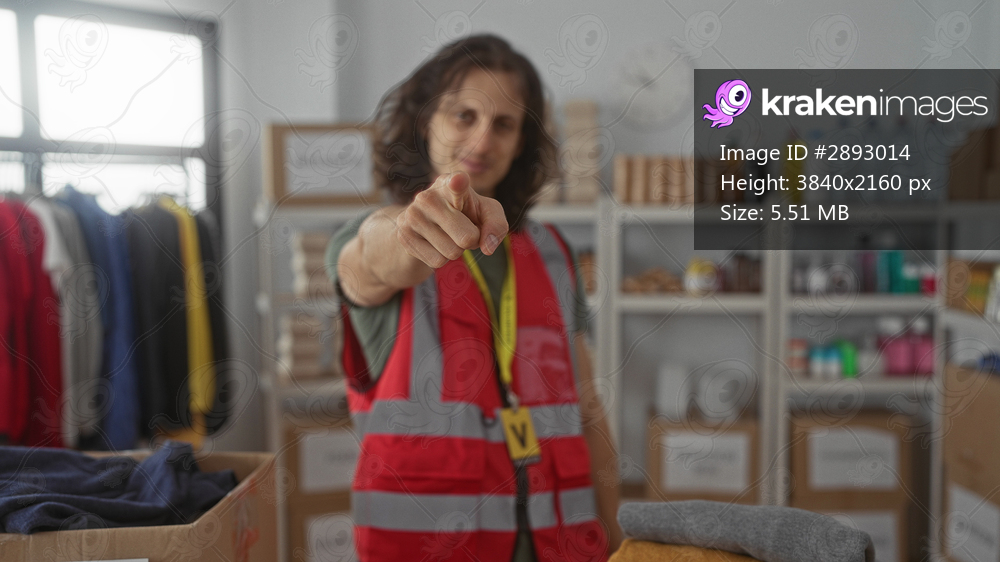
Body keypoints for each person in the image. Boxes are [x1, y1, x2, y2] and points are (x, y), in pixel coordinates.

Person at [326, 34, 621, 562]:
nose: (483, 140)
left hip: (560, 544)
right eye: (464, 115)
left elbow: (588, 409)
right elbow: (373, 257)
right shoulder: (378, 232)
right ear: (426, 122)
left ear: (521, 142)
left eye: (503, 124)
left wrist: (620, 543)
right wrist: (410, 229)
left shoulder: (555, 253)